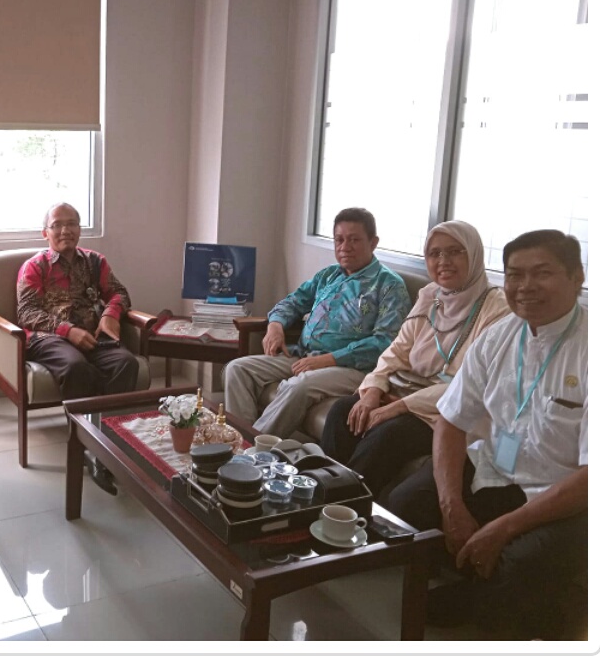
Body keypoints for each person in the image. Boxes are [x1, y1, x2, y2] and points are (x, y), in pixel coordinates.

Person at [386, 230, 587, 639]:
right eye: (514, 275)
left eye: (542, 273)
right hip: (496, 468)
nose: (525, 286)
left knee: (520, 562)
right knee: (406, 504)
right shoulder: (500, 335)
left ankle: (504, 603)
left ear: (577, 278)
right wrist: (451, 505)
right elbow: (451, 420)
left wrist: (505, 528)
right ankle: (480, 585)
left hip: (565, 495)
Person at [321, 221, 510, 496]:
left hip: (444, 412)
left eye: (454, 251)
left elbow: (472, 385)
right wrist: (372, 391)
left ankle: (345, 504)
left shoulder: (497, 309)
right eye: (434, 253)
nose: (443, 261)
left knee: (388, 434)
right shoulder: (431, 296)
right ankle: (325, 488)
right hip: (404, 391)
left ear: (474, 253)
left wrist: (402, 406)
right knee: (343, 412)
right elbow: (397, 350)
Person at [224, 208, 411, 437]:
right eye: (339, 240)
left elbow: (385, 343)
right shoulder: (329, 275)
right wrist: (275, 326)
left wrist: (328, 359)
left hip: (352, 368)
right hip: (304, 355)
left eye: (354, 240)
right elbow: (293, 302)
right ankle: (238, 438)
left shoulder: (389, 285)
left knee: (298, 386)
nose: (345, 247)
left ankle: (252, 448)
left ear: (373, 243)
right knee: (237, 369)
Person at [16, 202, 139, 494]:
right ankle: (84, 442)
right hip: (49, 337)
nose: (65, 230)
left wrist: (110, 315)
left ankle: (109, 442)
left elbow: (119, 293)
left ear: (80, 229)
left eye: (71, 223)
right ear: (45, 233)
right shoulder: (35, 266)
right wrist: (67, 331)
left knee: (126, 363)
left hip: (93, 333)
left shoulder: (96, 262)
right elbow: (26, 312)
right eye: (57, 225)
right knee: (76, 367)